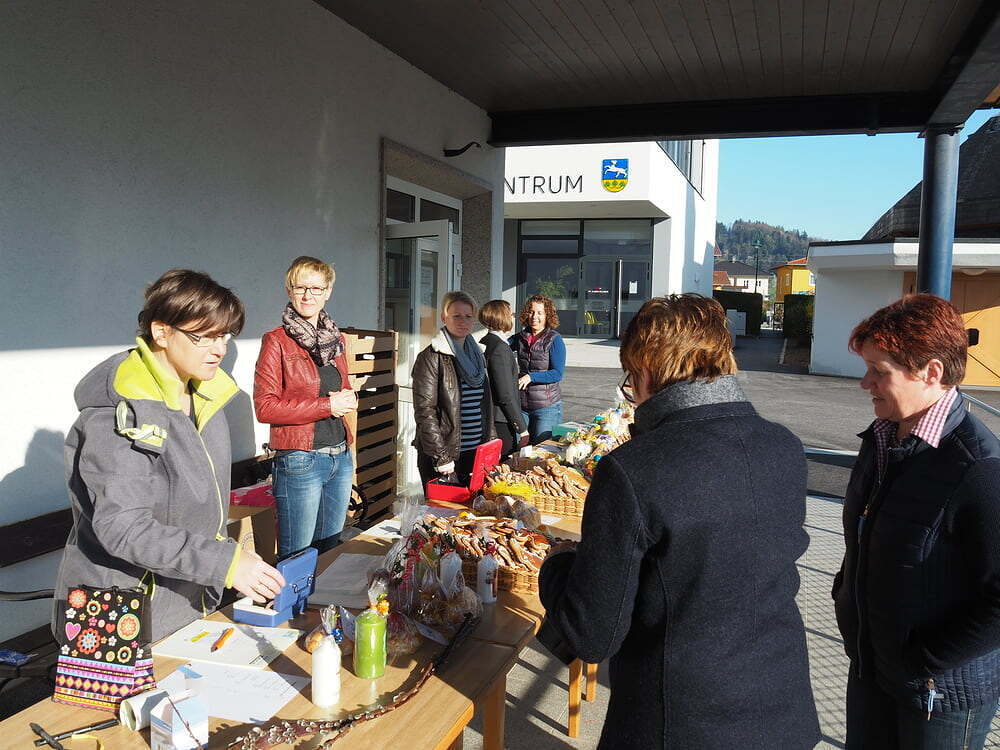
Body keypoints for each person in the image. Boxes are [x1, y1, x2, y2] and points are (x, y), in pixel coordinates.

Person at [537, 294, 820, 750]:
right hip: (783, 711)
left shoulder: (633, 469)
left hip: (679, 722)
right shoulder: (782, 446)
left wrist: (556, 565)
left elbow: (593, 634)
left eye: (631, 379)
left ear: (646, 371)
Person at [53, 269, 285, 643]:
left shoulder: (206, 397)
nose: (220, 349)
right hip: (123, 619)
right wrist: (224, 563)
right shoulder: (121, 414)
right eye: (204, 337)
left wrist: (235, 564)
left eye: (225, 335)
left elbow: (196, 511)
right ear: (161, 332)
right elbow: (123, 528)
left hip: (185, 601)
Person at [833, 294, 1000, 750]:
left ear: (931, 372)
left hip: (939, 694)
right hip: (873, 665)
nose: (865, 382)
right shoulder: (883, 438)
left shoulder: (979, 468)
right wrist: (846, 591)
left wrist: (924, 659)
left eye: (879, 370)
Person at [254, 256, 357, 559]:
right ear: (289, 291)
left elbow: (340, 386)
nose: (308, 295)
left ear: (328, 292)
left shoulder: (335, 339)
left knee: (330, 551)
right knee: (297, 556)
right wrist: (328, 405)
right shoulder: (276, 341)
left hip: (340, 456)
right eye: (300, 288)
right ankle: (296, 608)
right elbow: (266, 407)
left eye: (316, 288)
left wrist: (348, 397)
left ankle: (320, 609)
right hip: (301, 461)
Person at [412, 291, 496, 489]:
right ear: (444, 318)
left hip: (475, 454)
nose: (463, 321)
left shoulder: (477, 355)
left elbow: (485, 405)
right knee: (444, 516)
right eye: (456, 316)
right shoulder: (432, 356)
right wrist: (442, 457)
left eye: (468, 316)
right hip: (446, 458)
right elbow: (425, 411)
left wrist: (491, 444)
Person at [511, 294, 566, 443]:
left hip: (546, 408)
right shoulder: (520, 337)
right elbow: (500, 347)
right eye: (531, 312)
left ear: (547, 315)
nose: (534, 316)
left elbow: (557, 373)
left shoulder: (554, 339)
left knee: (542, 450)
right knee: (517, 449)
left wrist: (531, 377)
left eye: (540, 313)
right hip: (521, 406)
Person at [478, 299, 529, 457]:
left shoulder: (486, 341)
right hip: (501, 420)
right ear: (502, 316)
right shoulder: (500, 348)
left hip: (491, 416)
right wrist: (522, 428)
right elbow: (505, 394)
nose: (513, 317)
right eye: (510, 314)